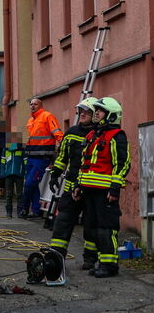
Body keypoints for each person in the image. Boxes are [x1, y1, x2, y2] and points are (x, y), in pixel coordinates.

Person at [77, 97, 130, 278]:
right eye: (97, 110)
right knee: (92, 227)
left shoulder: (116, 136)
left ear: (111, 115)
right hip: (90, 190)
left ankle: (109, 265)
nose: (96, 113)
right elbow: (84, 163)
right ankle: (100, 262)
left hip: (105, 192)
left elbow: (122, 164)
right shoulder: (93, 135)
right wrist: (79, 185)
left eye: (100, 111)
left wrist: (114, 189)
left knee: (106, 228)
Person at [48, 98, 98, 270]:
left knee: (91, 224)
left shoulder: (100, 134)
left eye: (87, 112)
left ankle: (90, 259)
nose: (82, 114)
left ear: (95, 115)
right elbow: (62, 157)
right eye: (80, 111)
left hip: (91, 189)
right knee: (62, 222)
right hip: (71, 188)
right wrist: (55, 174)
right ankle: (56, 256)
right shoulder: (71, 132)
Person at [20, 98, 63, 218]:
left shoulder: (47, 116)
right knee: (31, 185)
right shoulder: (30, 120)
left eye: (35, 104)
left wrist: (64, 144)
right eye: (31, 104)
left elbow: (56, 132)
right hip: (31, 157)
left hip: (42, 157)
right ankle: (36, 210)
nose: (33, 106)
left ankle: (24, 208)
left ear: (41, 105)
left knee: (30, 184)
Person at [0, 140, 24, 218]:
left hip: (19, 174)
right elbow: (2, 162)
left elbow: (25, 161)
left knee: (19, 194)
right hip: (8, 175)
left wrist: (25, 172)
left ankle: (19, 212)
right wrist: (3, 173)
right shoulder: (5, 149)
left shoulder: (22, 149)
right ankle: (9, 212)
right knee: (9, 194)